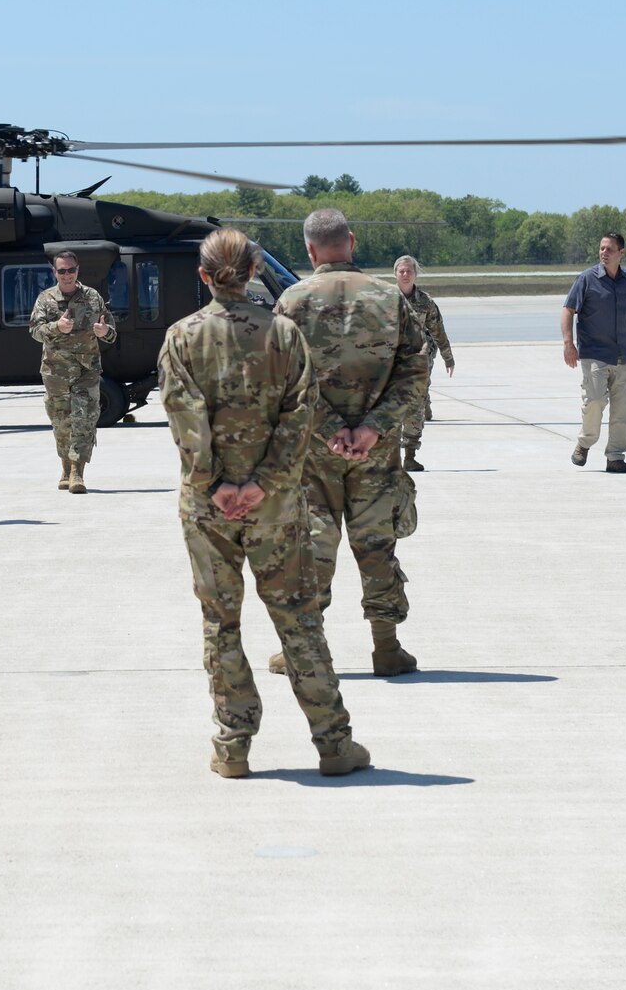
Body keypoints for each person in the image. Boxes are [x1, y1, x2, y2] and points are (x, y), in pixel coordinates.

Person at [159, 228, 370, 779]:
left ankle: (232, 747)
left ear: (203, 276)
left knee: (220, 623)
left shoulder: (182, 338)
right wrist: (262, 483)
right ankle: (333, 744)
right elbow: (302, 416)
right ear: (253, 272)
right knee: (299, 621)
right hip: (275, 507)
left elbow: (185, 419)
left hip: (209, 511)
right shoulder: (282, 334)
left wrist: (216, 484)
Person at [273, 210, 428, 678]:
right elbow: (416, 369)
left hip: (314, 454)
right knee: (377, 546)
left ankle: (304, 651)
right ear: (353, 242)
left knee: (313, 546)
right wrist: (372, 428)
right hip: (376, 452)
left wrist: (328, 428)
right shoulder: (388, 297)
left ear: (310, 250)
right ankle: (387, 649)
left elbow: (280, 379)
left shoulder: (291, 300)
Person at [26, 250, 118, 493]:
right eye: (62, 271)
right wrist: (57, 327)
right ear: (54, 272)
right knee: (61, 422)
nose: (67, 275)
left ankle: (78, 472)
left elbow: (111, 331)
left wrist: (104, 331)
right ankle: (66, 467)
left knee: (85, 419)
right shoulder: (45, 299)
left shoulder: (92, 297)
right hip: (55, 372)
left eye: (71, 270)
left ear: (78, 270)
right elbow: (34, 331)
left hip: (86, 370)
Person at [560, 232, 626, 473]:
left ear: (621, 252)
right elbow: (568, 310)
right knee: (595, 401)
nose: (604, 253)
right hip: (595, 354)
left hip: (625, 356)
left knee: (624, 408)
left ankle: (615, 457)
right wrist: (568, 344)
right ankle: (584, 443)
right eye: (602, 248)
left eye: (610, 249)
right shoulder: (586, 279)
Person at [393, 254, 455, 472]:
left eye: (409, 271)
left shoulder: (425, 302)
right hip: (391, 365)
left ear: (415, 274)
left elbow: (438, 329)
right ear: (395, 274)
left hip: (418, 364)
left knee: (416, 408)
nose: (405, 274)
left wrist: (448, 356)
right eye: (402, 271)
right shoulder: (386, 300)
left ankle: (409, 455)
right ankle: (389, 458)